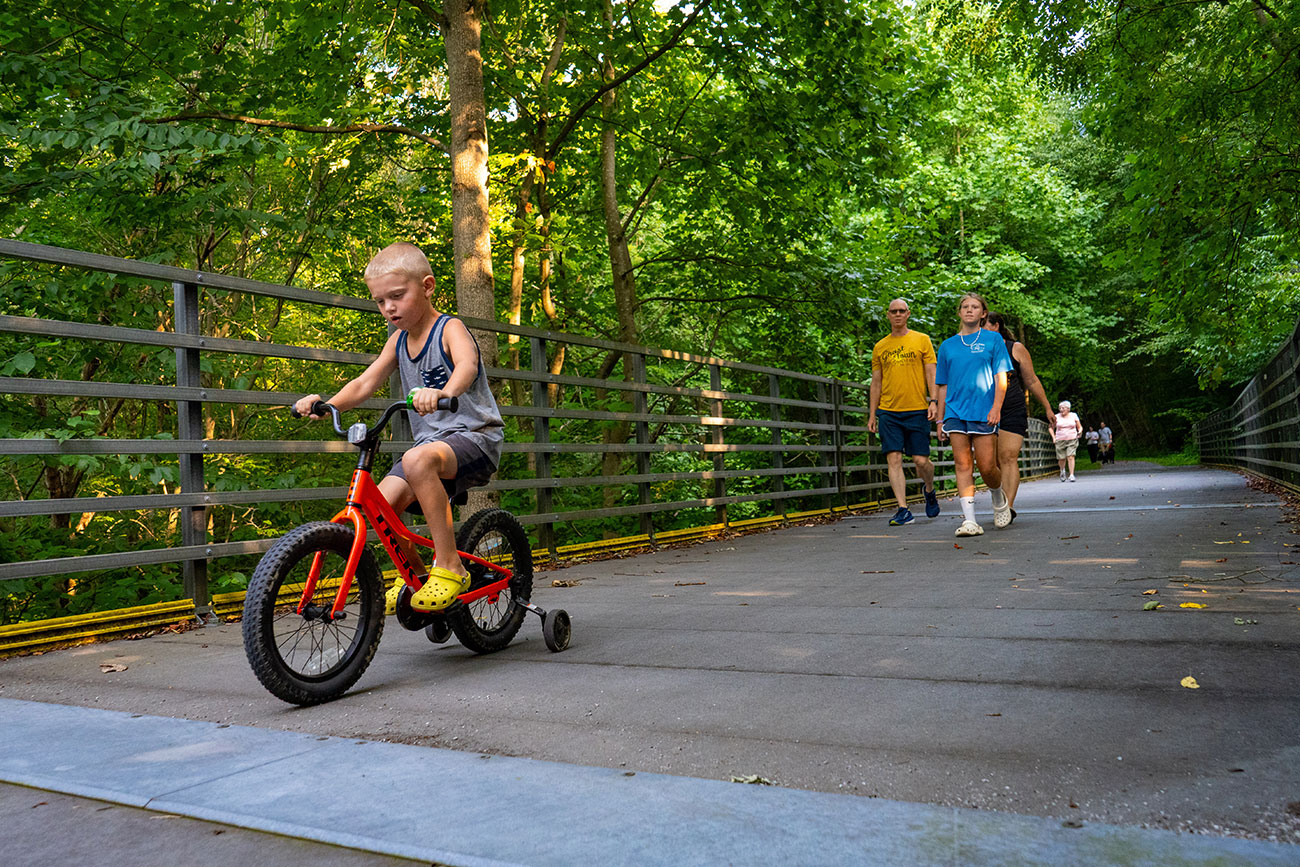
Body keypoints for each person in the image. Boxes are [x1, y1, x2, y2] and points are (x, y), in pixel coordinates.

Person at [294, 242, 504, 614]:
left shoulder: (449, 328)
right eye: (380, 301)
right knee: (380, 507)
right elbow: (364, 383)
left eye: (396, 296)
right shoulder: (398, 342)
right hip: (430, 447)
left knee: (416, 459)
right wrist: (328, 405)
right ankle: (417, 578)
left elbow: (467, 365)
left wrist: (445, 392)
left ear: (427, 286)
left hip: (475, 437)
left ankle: (450, 566)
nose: (389, 308)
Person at [935, 293, 1013, 536]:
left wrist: (996, 407)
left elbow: (1001, 377)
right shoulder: (947, 346)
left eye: (975, 307)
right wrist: (940, 419)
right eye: (965, 307)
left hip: (983, 410)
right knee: (962, 464)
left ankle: (998, 496)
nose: (969, 310)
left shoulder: (993, 340)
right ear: (959, 312)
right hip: (955, 411)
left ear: (983, 313)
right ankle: (970, 521)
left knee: (987, 466)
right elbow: (942, 385)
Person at [868, 298, 941, 526]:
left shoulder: (921, 340)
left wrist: (934, 401)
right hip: (888, 411)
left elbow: (931, 373)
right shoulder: (880, 347)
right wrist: (872, 414)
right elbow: (876, 382)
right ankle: (903, 509)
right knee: (894, 458)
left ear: (908, 314)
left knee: (921, 460)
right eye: (894, 311)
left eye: (902, 311)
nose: (898, 314)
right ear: (888, 315)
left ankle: (929, 488)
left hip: (917, 408)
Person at [981, 312, 1056, 523]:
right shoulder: (974, 350)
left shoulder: (1015, 348)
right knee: (990, 463)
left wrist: (1048, 408)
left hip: (1012, 408)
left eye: (983, 324)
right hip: (983, 410)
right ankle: (1000, 499)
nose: (979, 329)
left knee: (1008, 457)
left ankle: (1007, 507)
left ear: (996, 326)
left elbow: (1031, 380)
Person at [1053, 400, 1083, 481]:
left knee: (1071, 456)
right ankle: (1062, 470)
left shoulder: (1074, 415)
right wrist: (1053, 437)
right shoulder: (1056, 417)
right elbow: (1051, 428)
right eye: (1060, 408)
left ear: (1068, 409)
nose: (1061, 409)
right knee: (1061, 458)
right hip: (1060, 439)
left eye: (1063, 408)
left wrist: (1080, 431)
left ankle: (1071, 475)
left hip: (1072, 438)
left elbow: (1079, 427)